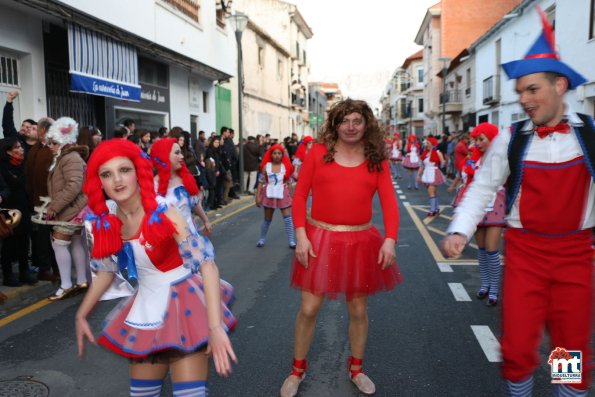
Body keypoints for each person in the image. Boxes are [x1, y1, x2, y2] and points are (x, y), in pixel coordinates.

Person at [442, 9, 593, 396]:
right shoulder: (512, 138)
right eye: (520, 92)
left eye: (532, 89)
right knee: (517, 347)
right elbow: (481, 187)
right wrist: (460, 228)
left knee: (568, 347)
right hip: (525, 255)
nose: (524, 100)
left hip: (577, 256)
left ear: (560, 85)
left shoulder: (590, 135)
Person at [76, 139, 237, 397]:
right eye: (107, 174)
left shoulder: (163, 210)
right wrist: (81, 314)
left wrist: (215, 327)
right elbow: (106, 270)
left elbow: (207, 266)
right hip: (146, 310)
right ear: (99, 182)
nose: (117, 180)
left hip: (186, 304)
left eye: (124, 170)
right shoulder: (104, 220)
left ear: (138, 171)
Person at [281, 99, 401, 397]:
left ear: (366, 124)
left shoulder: (376, 158)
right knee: (309, 308)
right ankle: (296, 370)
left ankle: (357, 369)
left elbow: (388, 202)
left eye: (356, 121)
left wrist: (390, 239)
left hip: (361, 241)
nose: (350, 127)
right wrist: (300, 235)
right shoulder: (318, 153)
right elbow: (299, 198)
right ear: (335, 124)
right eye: (344, 121)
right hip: (319, 238)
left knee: (358, 309)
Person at [458, 123, 505, 306]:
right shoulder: (475, 159)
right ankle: (485, 284)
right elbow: (469, 184)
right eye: (476, 139)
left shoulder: (502, 159)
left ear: (492, 139)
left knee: (493, 250)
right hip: (479, 207)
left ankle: (494, 288)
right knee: (483, 250)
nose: (477, 143)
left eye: (481, 139)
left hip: (496, 206)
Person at [45, 117, 90, 300]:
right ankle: (81, 281)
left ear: (63, 142)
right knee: (77, 243)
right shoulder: (69, 156)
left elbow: (73, 186)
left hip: (71, 209)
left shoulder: (69, 157)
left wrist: (55, 206)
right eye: (49, 142)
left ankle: (66, 285)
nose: (50, 146)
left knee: (59, 243)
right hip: (76, 208)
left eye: (54, 142)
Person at [151, 138, 212, 236]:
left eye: (181, 152)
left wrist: (206, 220)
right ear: (164, 156)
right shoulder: (152, 186)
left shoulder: (185, 179)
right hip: (168, 242)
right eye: (177, 153)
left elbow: (195, 203)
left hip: (190, 238)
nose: (182, 156)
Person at [0, 136, 37, 286]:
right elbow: (12, 185)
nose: (21, 149)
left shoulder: (23, 164)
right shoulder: (3, 167)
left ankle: (24, 272)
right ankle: (8, 275)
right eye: (17, 147)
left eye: (21, 146)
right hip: (8, 209)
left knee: (24, 241)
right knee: (9, 243)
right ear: (8, 152)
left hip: (23, 207)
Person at [26, 117, 58, 282]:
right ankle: (46, 268)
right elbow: (31, 176)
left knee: (54, 237)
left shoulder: (52, 148)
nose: (36, 131)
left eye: (37, 128)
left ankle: (56, 268)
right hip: (41, 201)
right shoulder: (36, 149)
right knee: (44, 237)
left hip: (51, 201)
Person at [255, 144, 296, 248]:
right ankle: (261, 239)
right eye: (275, 153)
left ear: (282, 155)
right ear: (271, 154)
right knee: (267, 219)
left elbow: (290, 182)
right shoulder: (266, 166)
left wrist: (292, 197)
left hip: (283, 193)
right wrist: (258, 196)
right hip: (269, 194)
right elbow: (260, 182)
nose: (277, 155)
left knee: (288, 218)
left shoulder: (285, 167)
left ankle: (291, 241)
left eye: (279, 153)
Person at [2, 91, 38, 158]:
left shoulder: (40, 150)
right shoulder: (16, 140)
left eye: (33, 128)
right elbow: (7, 124)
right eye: (23, 125)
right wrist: (9, 102)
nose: (27, 129)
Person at [417, 136, 446, 217]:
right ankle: (436, 208)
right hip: (427, 173)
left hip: (434, 173)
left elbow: (443, 164)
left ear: (432, 144)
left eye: (428, 143)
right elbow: (422, 166)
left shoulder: (437, 152)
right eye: (426, 143)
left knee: (430, 191)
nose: (427, 144)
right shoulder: (425, 153)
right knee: (433, 192)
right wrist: (418, 175)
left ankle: (432, 210)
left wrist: (443, 161)